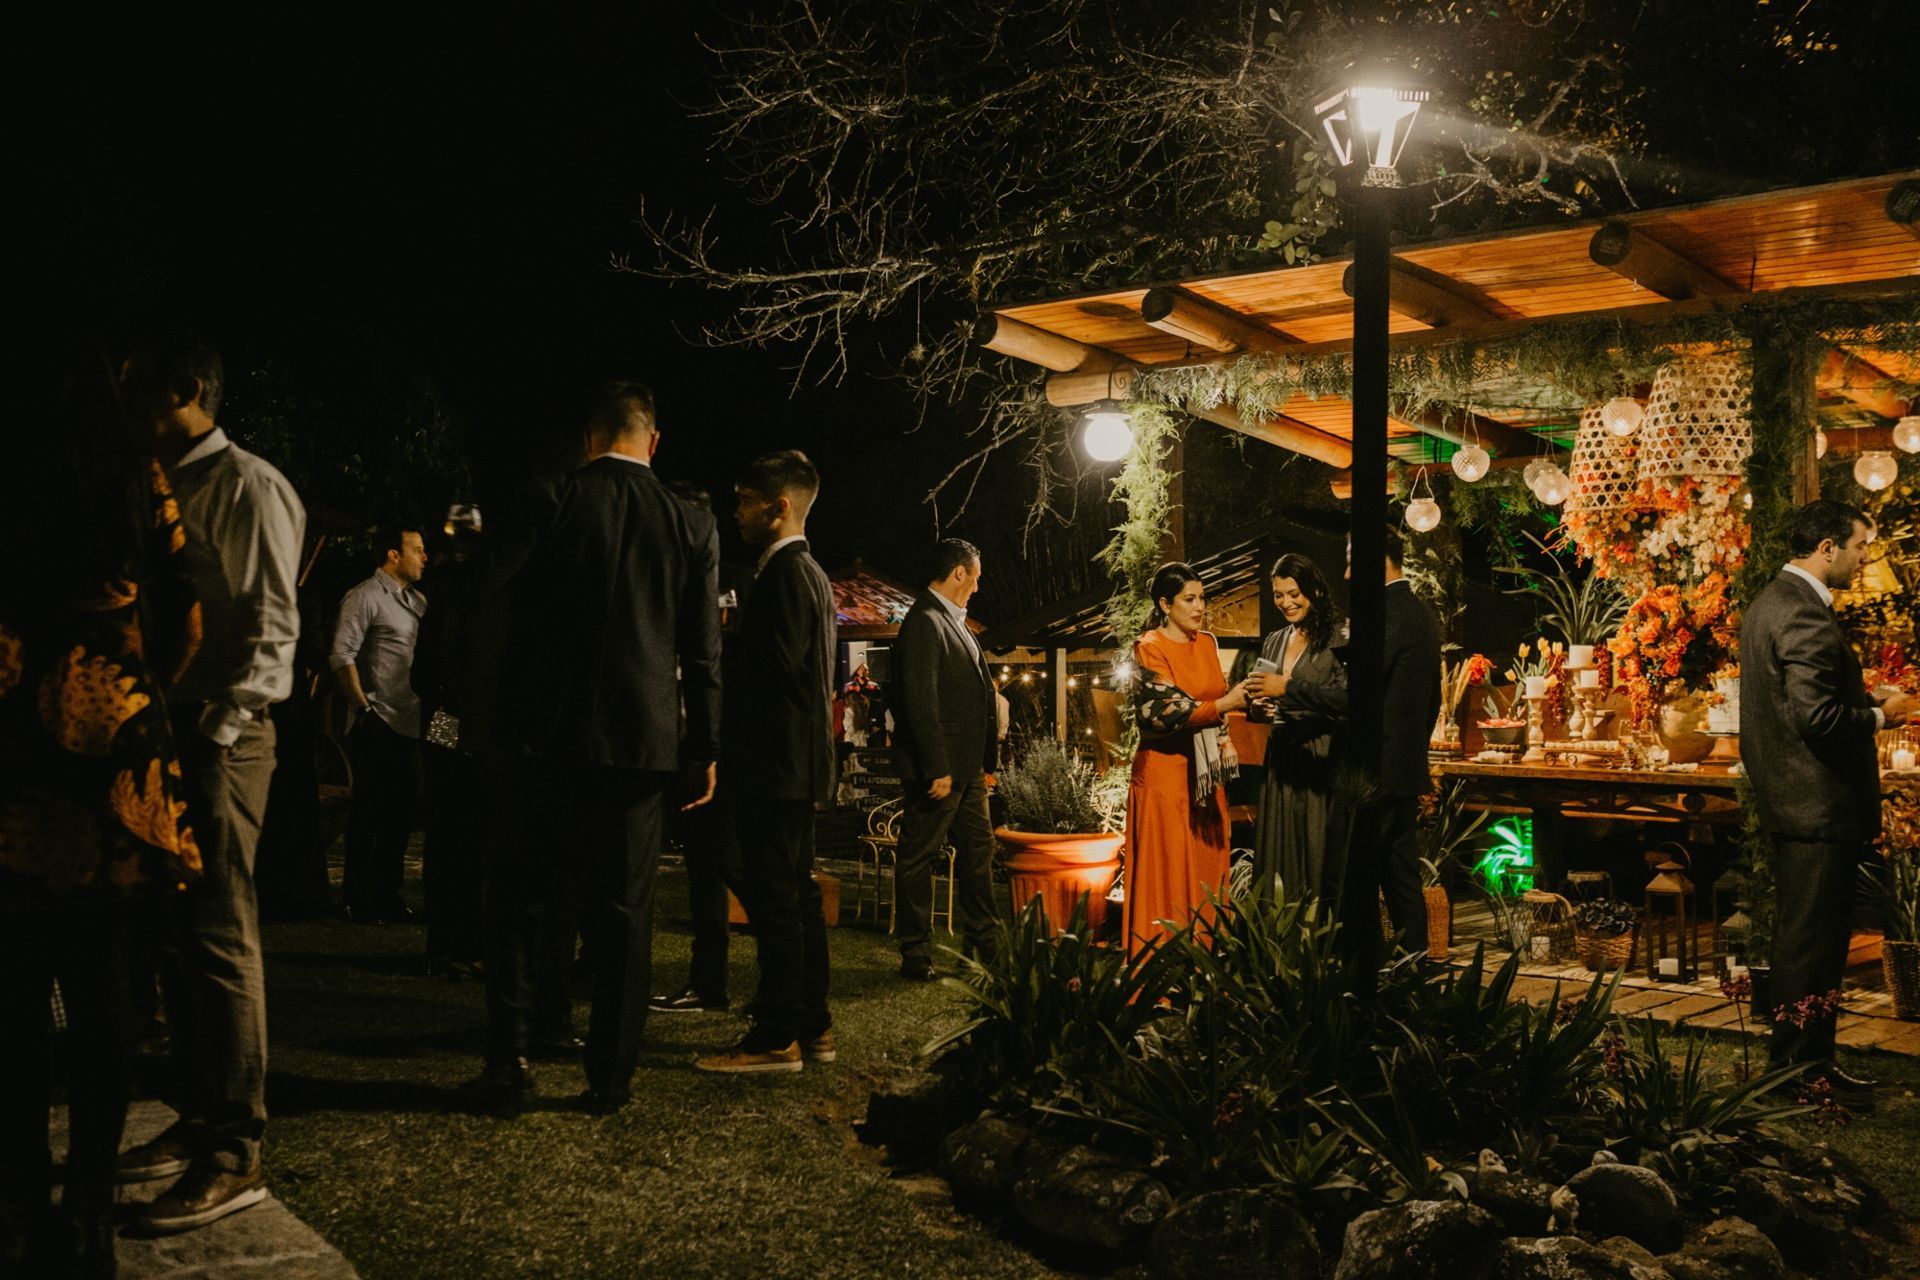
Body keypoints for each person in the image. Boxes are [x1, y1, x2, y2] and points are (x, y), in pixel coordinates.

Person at [0, 328, 203, 1277]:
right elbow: (186, 604)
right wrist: (136, 694)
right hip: (116, 744)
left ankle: (17, 1200)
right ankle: (86, 1210)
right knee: (106, 982)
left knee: (12, 984)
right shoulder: (133, 469)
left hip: (8, 736)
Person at [465, 380, 721, 1116]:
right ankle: (610, 1076)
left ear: (588, 437)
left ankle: (509, 1060)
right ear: (653, 440)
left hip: (543, 736)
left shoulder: (551, 497)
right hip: (641, 743)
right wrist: (703, 746)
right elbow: (704, 651)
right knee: (626, 910)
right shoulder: (690, 524)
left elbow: (482, 587)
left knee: (517, 899)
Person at [116, 326, 305, 1233]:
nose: (126, 407)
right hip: (169, 728)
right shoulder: (166, 484)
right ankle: (198, 1119)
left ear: (188, 388)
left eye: (139, 389)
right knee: (178, 936)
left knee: (222, 934)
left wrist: (219, 733)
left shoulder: (247, 487)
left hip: (222, 732)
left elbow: (273, 632)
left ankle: (235, 1149)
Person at [1741, 499, 1912, 1107]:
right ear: (1828, 547)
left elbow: (1799, 702)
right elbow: (1816, 717)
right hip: (1817, 804)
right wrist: (1879, 714)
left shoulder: (1772, 602)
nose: (1865, 558)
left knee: (1807, 939)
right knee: (1812, 944)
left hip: (1797, 803)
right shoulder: (1803, 613)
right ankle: (1795, 1071)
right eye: (1861, 546)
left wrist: (1866, 693)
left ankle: (1810, 1063)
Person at [697, 452, 837, 1073]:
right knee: (796, 894)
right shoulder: (812, 574)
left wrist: (722, 647)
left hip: (774, 764)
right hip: (798, 764)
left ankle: (775, 1036)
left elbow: (774, 672)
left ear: (778, 507)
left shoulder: (783, 575)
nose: (736, 510)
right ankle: (813, 1025)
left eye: (744, 498)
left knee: (773, 893)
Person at [1270, 526, 1440, 980]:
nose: (1346, 572)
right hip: (1402, 769)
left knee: (1345, 878)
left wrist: (1289, 687)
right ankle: (1411, 971)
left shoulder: (1382, 613)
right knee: (1401, 877)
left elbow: (1359, 699)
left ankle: (1352, 976)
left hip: (1368, 773)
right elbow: (1433, 700)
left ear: (1375, 559)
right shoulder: (1420, 613)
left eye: (1351, 560)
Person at [652, 483, 747, 1017]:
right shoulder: (676, 591)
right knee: (708, 867)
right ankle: (707, 981)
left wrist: (707, 749)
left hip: (712, 752)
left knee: (722, 864)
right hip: (686, 747)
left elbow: (713, 672)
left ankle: (714, 980)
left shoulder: (727, 588)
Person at [1125, 563, 1247, 954]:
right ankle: (1162, 966)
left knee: (1208, 868)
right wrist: (1226, 703)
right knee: (1168, 871)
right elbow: (1164, 712)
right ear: (1165, 603)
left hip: (1207, 773)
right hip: (1165, 776)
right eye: (1189, 599)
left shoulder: (1208, 643)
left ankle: (1205, 962)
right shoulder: (1149, 647)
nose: (1200, 607)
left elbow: (1213, 700)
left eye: (1202, 598)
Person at [890, 538, 998, 980]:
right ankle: (916, 954)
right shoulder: (924, 622)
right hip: (943, 771)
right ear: (958, 573)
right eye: (975, 575)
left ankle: (982, 952)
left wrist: (984, 762)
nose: (977, 584)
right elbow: (919, 700)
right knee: (919, 856)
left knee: (979, 852)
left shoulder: (955, 623)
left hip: (969, 770)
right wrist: (937, 767)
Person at [330, 522, 428, 924]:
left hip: (414, 719)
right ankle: (356, 898)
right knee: (368, 813)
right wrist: (361, 709)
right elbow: (341, 654)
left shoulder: (418, 602)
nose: (424, 557)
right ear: (393, 554)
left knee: (400, 815)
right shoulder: (366, 596)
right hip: (379, 717)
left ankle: (388, 896)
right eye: (417, 549)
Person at [411, 505, 487, 978]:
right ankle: (459, 942)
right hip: (463, 724)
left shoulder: (439, 597)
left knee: (448, 834)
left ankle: (447, 942)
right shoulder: (471, 598)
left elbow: (424, 672)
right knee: (468, 835)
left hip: (446, 721)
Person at [1243, 553, 1345, 902]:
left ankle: (1317, 940)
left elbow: (1346, 701)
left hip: (1318, 756)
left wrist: (1288, 693)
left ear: (1314, 590)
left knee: (1314, 845)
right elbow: (1258, 695)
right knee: (1277, 846)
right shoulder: (1275, 640)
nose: (1285, 602)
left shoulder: (1337, 638)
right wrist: (1258, 707)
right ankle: (1275, 941)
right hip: (1281, 755)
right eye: (1278, 594)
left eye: (1293, 593)